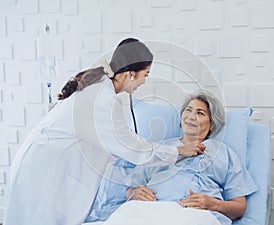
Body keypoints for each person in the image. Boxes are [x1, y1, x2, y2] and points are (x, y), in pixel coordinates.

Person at [3, 38, 205, 225]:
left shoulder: (108, 92)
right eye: (146, 75)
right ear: (130, 74)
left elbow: (120, 146)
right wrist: (178, 150)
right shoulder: (102, 100)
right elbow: (131, 147)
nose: (144, 82)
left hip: (50, 165)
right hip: (43, 169)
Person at [86, 91, 257, 225]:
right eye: (188, 110)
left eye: (200, 113)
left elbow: (239, 207)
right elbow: (132, 187)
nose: (191, 116)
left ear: (212, 123)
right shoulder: (160, 149)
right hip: (148, 210)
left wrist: (213, 204)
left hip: (194, 214)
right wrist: (134, 194)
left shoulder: (224, 153)